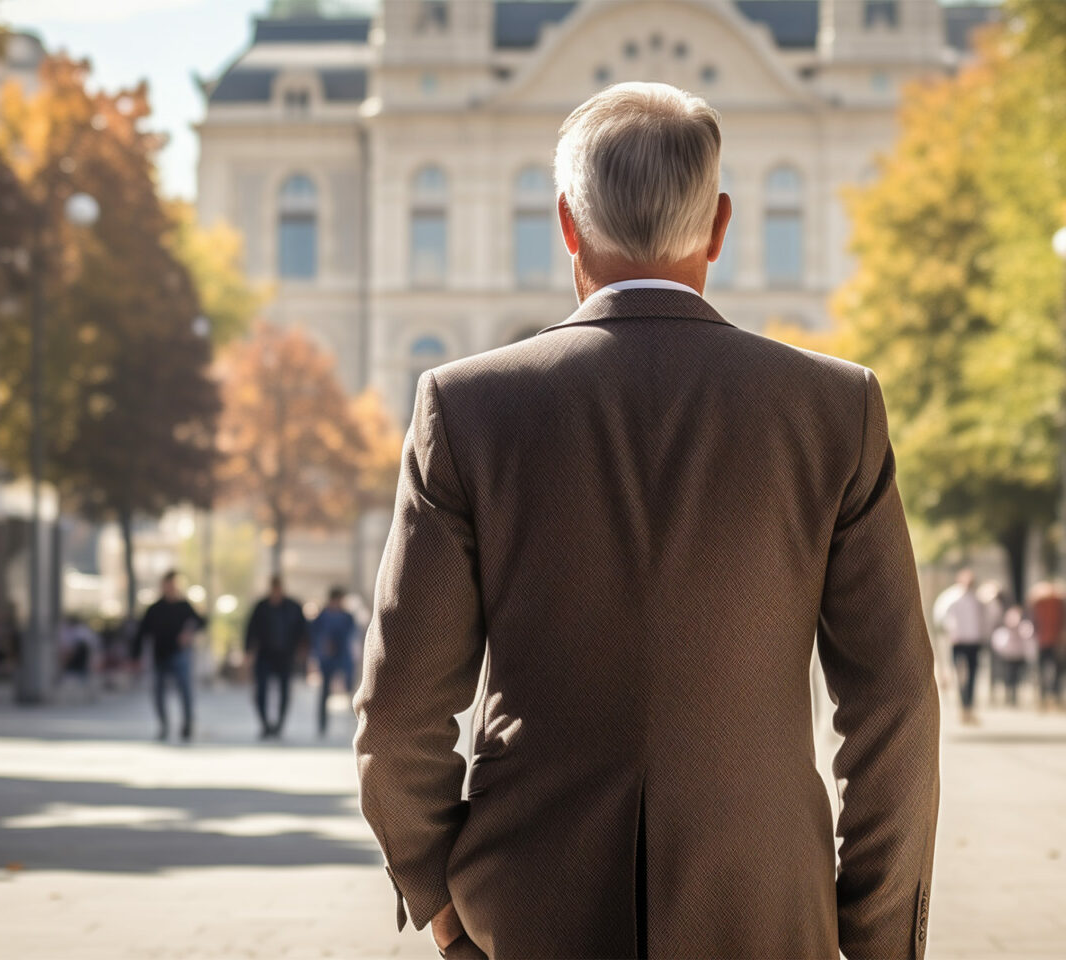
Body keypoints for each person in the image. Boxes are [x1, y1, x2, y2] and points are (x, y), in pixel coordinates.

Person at [354, 83, 939, 960]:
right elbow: (893, 702)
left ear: (566, 224)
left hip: (527, 902)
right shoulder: (834, 408)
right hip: (765, 901)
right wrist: (878, 934)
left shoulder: (465, 407)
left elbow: (398, 712)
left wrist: (440, 896)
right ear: (720, 226)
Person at [132, 571, 207, 742]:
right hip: (160, 655)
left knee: (185, 691)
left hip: (180, 655)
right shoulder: (155, 608)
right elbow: (142, 632)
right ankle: (164, 725)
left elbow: (201, 622)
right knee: (158, 693)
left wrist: (189, 632)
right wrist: (135, 656)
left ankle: (187, 724)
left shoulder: (184, 606)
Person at [244, 575, 307, 740]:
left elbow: (303, 630)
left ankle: (279, 725)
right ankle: (265, 724)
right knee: (261, 692)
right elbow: (250, 629)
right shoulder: (261, 607)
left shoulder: (293, 607)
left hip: (285, 656)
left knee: (285, 692)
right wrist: (248, 651)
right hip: (264, 654)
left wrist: (302, 650)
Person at [939, 570, 987, 725]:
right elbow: (946, 618)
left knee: (972, 674)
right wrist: (952, 632)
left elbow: (982, 619)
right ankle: (963, 706)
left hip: (973, 641)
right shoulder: (953, 599)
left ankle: (969, 707)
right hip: (958, 641)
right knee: (960, 675)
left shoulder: (977, 600)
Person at [309, 586, 358, 737]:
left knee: (350, 689)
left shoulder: (347, 617)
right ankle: (322, 725)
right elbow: (315, 636)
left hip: (342, 656)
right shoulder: (322, 616)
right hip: (327, 658)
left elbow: (352, 635)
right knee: (325, 692)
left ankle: (354, 723)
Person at [1030, 581, 1066, 710]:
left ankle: (1048, 696)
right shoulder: (1053, 603)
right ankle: (1050, 696)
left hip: (1048, 640)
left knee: (1048, 670)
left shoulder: (1043, 603)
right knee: (1050, 670)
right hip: (1048, 640)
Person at [990, 606, 1034, 707]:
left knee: (1017, 676)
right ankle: (1009, 694)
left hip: (1019, 656)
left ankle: (1014, 695)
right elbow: (999, 643)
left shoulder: (1024, 628)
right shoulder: (1004, 632)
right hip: (1008, 656)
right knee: (1008, 676)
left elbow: (1028, 640)